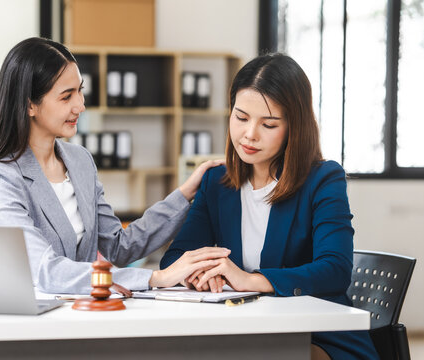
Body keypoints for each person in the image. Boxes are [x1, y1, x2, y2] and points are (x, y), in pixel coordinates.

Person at [0, 37, 229, 295]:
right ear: (30, 105)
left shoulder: (80, 161)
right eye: (66, 97)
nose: (80, 106)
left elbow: (119, 247)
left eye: (80, 91)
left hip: (85, 314)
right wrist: (155, 278)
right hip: (34, 322)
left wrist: (184, 194)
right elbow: (45, 270)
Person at [160, 53, 379, 359]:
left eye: (269, 124)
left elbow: (335, 269)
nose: (250, 134)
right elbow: (175, 258)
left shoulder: (323, 179)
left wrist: (250, 281)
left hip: (316, 334)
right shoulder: (216, 181)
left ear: (294, 126)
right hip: (242, 328)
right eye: (241, 117)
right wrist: (200, 274)